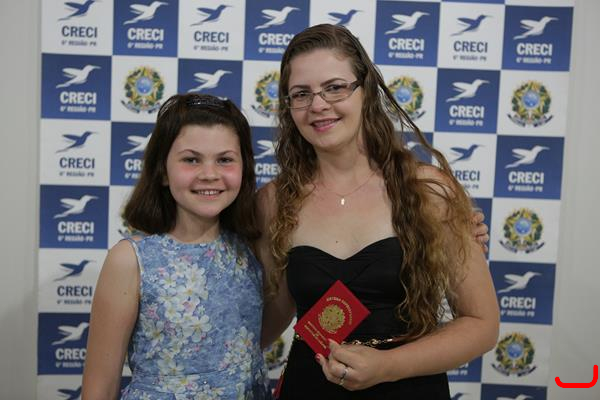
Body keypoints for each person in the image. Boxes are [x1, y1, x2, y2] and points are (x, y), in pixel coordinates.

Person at [255, 24, 499, 398]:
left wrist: (387, 366)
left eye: (335, 87)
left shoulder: (426, 190)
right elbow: (269, 321)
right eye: (301, 94)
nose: (318, 105)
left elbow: (482, 324)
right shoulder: (275, 201)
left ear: (366, 90)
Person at [82, 94, 270, 399]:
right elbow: (99, 388)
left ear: (244, 167)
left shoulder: (252, 249)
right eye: (191, 160)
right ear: (162, 171)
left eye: (224, 159)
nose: (209, 174)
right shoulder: (131, 259)